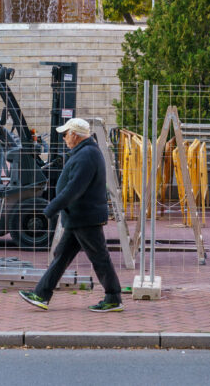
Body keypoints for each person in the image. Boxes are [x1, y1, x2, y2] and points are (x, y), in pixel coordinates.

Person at [19, 118, 124, 312]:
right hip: (78, 217)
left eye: (66, 134)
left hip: (85, 217)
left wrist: (51, 209)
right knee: (61, 256)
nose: (65, 138)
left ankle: (114, 297)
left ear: (75, 135)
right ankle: (41, 294)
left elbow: (73, 189)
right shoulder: (84, 152)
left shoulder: (87, 155)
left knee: (99, 258)